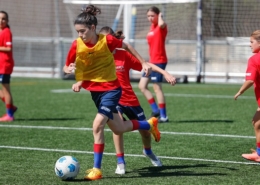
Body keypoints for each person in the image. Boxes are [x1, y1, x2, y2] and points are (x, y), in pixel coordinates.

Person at [63, 5, 160, 181]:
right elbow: (66, 65)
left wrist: (143, 62)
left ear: (93, 28)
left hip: (112, 90)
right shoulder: (76, 45)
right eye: (77, 32)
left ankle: (96, 169)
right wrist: (69, 69)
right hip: (96, 93)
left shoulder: (106, 41)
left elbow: (127, 45)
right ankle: (149, 124)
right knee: (119, 127)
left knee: (97, 125)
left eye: (83, 31)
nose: (80, 35)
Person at [99, 26, 177, 175]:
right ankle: (120, 161)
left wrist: (165, 73)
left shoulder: (124, 55)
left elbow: (146, 65)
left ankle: (147, 151)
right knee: (118, 126)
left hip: (130, 100)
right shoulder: (100, 57)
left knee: (145, 133)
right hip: (113, 100)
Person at [138, 6, 169, 123]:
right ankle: (155, 111)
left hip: (159, 61)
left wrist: (160, 15)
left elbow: (161, 24)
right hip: (151, 62)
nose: (150, 18)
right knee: (142, 86)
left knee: (157, 88)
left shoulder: (162, 26)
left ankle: (164, 116)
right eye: (148, 16)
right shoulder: (152, 27)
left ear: (158, 15)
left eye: (153, 16)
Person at [234, 30, 260, 162]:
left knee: (257, 122)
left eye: (251, 42)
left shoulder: (254, 59)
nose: (249, 45)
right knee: (257, 122)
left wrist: (240, 91)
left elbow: (250, 80)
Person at [0, 11, 17, 122]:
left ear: (7, 21)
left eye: (3, 19)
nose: (1, 21)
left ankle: (9, 115)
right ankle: (11, 107)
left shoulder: (7, 32)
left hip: (5, 65)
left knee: (6, 89)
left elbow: (8, 48)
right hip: (0, 65)